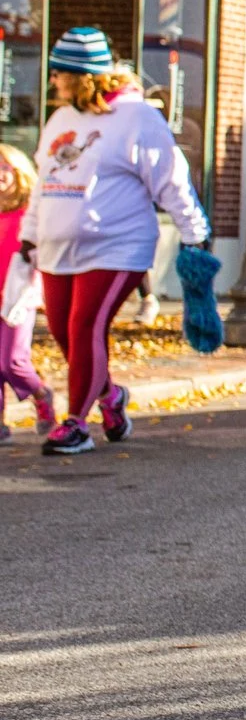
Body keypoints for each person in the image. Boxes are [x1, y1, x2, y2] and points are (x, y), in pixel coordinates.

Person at [30, 26, 212, 455]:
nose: (53, 81)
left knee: (85, 325)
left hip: (117, 246)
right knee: (63, 334)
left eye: (59, 73)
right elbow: (43, 183)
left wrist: (194, 234)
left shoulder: (137, 118)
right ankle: (111, 399)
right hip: (58, 249)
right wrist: (27, 240)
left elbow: (172, 180)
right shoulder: (62, 118)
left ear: (82, 75)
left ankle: (76, 424)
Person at [0, 142, 55, 436]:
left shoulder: (28, 215)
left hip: (17, 295)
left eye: (5, 166)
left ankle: (41, 394)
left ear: (20, 172)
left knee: (12, 361)